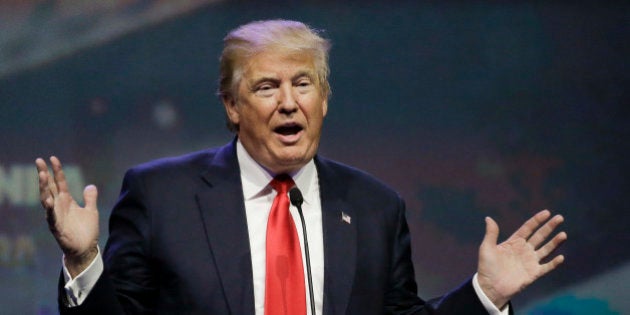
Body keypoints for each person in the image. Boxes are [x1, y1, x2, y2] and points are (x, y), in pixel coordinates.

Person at [36, 20, 567, 315]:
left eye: (303, 84)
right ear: (231, 106)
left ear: (325, 100)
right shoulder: (161, 195)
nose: (289, 103)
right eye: (267, 87)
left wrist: (485, 295)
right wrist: (84, 259)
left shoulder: (374, 207)